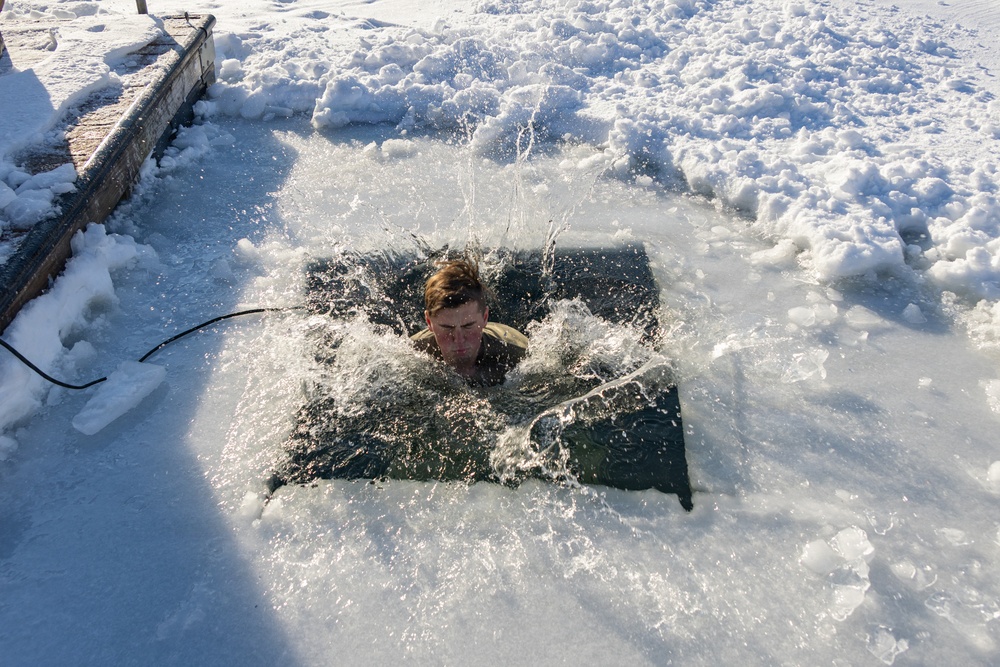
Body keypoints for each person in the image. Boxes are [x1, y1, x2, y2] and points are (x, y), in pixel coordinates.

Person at [411, 258, 528, 386]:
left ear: (485, 318)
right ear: (429, 322)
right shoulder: (411, 356)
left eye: (468, 326)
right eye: (447, 327)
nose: (459, 339)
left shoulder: (519, 354)